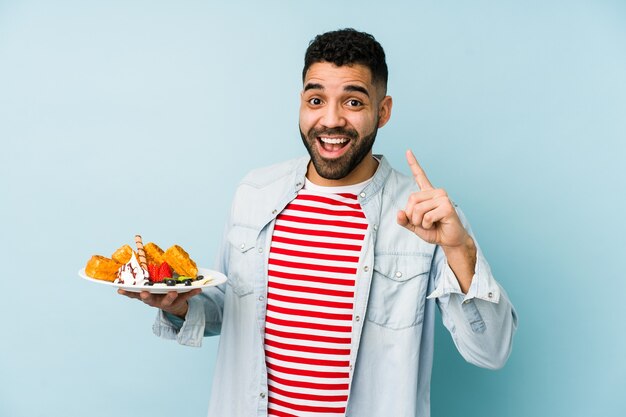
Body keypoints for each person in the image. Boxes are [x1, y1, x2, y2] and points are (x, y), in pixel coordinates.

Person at [120, 28, 517, 417]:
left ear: (383, 111)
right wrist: (176, 305)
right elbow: (230, 310)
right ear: (301, 103)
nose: (331, 120)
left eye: (354, 103)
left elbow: (491, 352)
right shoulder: (254, 194)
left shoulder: (427, 217)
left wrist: (459, 249)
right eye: (316, 100)